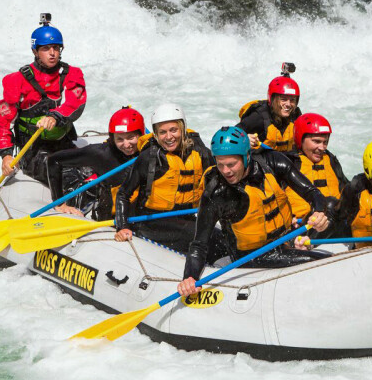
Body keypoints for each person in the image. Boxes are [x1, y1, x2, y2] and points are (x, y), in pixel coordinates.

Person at [177, 126, 331, 297]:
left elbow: (313, 193)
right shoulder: (216, 193)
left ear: (246, 157)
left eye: (231, 164)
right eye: (220, 164)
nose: (226, 171)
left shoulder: (273, 162)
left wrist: (319, 212)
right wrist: (189, 277)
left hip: (285, 238)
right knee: (323, 261)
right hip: (251, 256)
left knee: (329, 248)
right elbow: (199, 244)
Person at [0, 13, 87, 198]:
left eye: (56, 48)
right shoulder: (17, 80)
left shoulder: (71, 74)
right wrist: (6, 155)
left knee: (91, 170)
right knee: (67, 177)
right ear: (35, 51)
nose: (52, 53)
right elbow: (3, 122)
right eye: (45, 49)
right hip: (33, 150)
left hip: (63, 142)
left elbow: (76, 102)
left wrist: (56, 116)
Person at [113, 104, 214, 253]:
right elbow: (123, 194)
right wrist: (122, 226)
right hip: (152, 222)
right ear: (156, 134)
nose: (168, 137)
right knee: (205, 237)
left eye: (173, 130)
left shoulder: (201, 153)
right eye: (162, 132)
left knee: (217, 237)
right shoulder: (149, 158)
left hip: (188, 217)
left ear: (183, 129)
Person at [46, 106, 144, 219]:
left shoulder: (150, 151)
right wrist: (60, 204)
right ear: (112, 138)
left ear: (140, 135)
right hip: (108, 215)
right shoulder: (100, 153)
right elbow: (54, 160)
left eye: (131, 138)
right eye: (120, 139)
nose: (126, 145)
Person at [284, 113, 349, 220]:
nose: (322, 147)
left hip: (333, 221)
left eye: (325, 142)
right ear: (301, 139)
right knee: (329, 205)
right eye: (316, 141)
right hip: (301, 225)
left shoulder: (330, 159)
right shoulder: (289, 162)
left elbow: (346, 189)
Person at [238, 63, 302, 152]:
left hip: (287, 161)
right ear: (273, 99)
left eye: (292, 100)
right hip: (263, 163)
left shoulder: (296, 116)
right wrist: (244, 139)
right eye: (283, 99)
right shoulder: (259, 116)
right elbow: (231, 134)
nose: (288, 104)